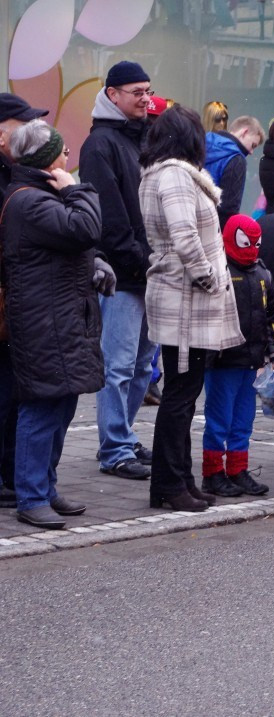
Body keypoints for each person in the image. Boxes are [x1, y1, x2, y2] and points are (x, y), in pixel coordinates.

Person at [2, 120, 112, 529]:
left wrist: (97, 264)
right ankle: (31, 496)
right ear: (49, 159)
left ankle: (44, 487)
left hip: (59, 316)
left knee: (61, 404)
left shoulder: (36, 197)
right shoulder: (28, 200)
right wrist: (73, 188)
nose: (70, 159)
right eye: (63, 152)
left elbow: (75, 245)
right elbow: (84, 228)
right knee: (41, 406)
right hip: (42, 321)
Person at [139, 105, 244, 512]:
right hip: (185, 299)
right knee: (180, 396)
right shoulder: (175, 177)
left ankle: (179, 478)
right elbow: (184, 237)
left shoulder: (161, 174)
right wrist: (209, 278)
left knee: (183, 392)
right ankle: (169, 484)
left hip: (181, 297)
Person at [79, 60, 155, 481]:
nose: (147, 98)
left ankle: (122, 435)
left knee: (143, 365)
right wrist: (138, 262)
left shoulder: (140, 138)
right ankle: (114, 448)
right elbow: (109, 216)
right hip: (125, 276)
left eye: (148, 90)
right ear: (113, 95)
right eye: (137, 92)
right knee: (119, 365)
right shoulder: (100, 144)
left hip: (149, 271)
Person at [199, 214, 274, 498]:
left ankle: (237, 469)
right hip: (223, 361)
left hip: (252, 361)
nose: (252, 249)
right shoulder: (218, 269)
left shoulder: (262, 273)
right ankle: (212, 473)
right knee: (219, 419)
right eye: (247, 242)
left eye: (256, 243)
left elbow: (272, 316)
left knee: (243, 420)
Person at [0, 93, 49, 509]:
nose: (31, 131)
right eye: (23, 123)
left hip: (16, 299)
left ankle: (10, 474)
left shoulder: (19, 174)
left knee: (12, 390)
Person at [205, 115, 265, 228]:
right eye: (253, 145)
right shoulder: (237, 159)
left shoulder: (202, 141)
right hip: (212, 229)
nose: (251, 152)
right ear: (244, 132)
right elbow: (228, 208)